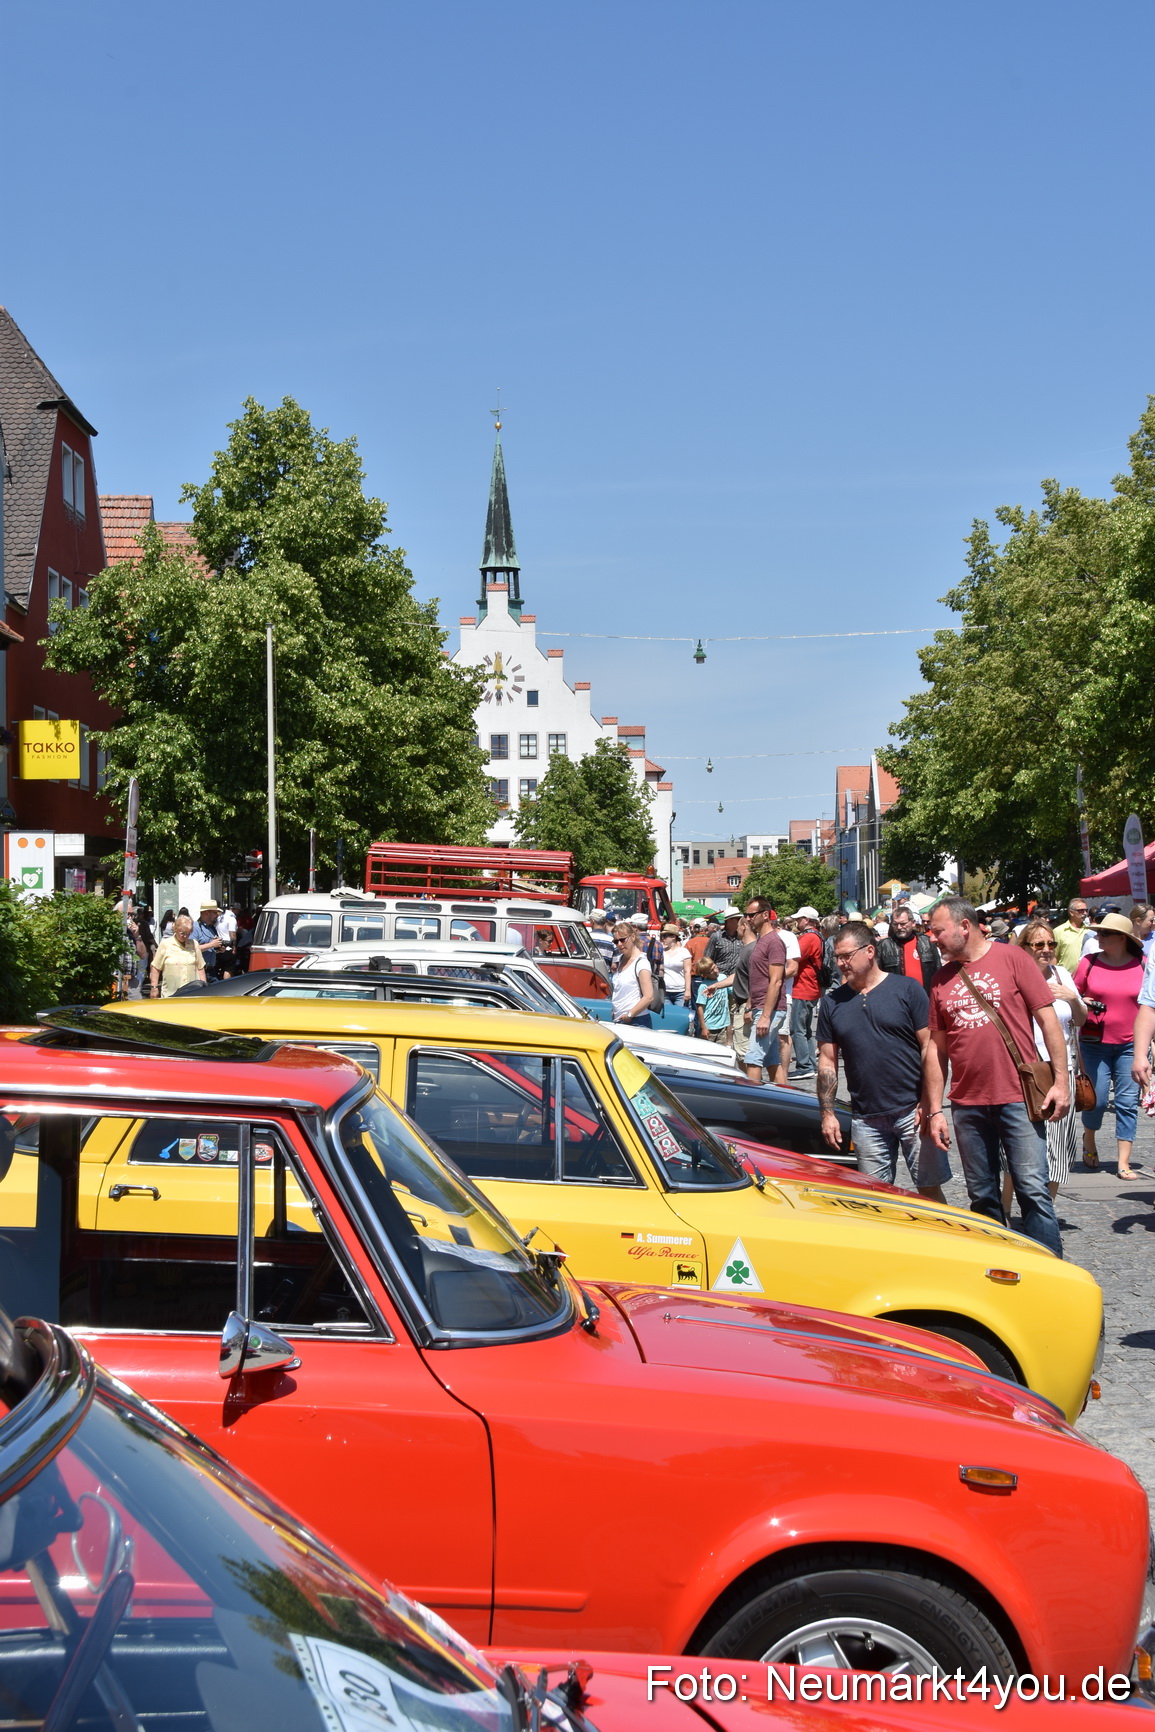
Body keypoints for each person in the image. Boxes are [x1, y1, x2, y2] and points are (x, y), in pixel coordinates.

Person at [922, 897, 1067, 1254]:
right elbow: (936, 1049)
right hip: (968, 1104)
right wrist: (936, 1109)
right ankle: (997, 1272)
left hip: (1017, 1096)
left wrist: (1061, 1082)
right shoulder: (941, 979)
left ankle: (1051, 1276)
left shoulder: (1014, 959)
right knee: (982, 1195)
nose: (932, 938)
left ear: (964, 926)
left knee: (1032, 1190)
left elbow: (1049, 1021)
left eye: (938, 930)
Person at [817, 920, 949, 1201]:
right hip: (866, 1117)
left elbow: (930, 1047)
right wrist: (827, 1114)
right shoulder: (832, 1003)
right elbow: (827, 1061)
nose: (840, 964)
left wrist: (929, 1102)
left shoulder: (907, 989)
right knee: (875, 1198)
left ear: (869, 951)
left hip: (911, 1111)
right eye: (836, 957)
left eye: (846, 956)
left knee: (930, 1191)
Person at [1015, 918, 1087, 1199]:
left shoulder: (1062, 976)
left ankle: (1046, 1208)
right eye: (1039, 944)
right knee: (1023, 1144)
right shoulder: (1017, 978)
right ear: (1025, 948)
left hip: (1063, 1069)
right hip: (1030, 1070)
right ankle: (1008, 1210)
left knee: (1058, 1147)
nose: (1046, 949)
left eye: (1051, 944)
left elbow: (1081, 1020)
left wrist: (1072, 999)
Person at [1073, 912, 1144, 1178]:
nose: (1098, 937)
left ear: (1122, 939)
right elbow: (1072, 994)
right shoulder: (1088, 963)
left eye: (1105, 934)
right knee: (1098, 1100)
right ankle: (1089, 1137)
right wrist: (1083, 1002)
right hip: (1094, 1042)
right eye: (1098, 933)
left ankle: (1123, 1162)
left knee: (1127, 1102)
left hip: (1130, 1044)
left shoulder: (1143, 964)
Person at [741, 897, 787, 1082]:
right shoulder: (762, 940)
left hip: (771, 1010)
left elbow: (776, 981)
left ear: (765, 915)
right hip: (761, 1007)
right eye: (747, 915)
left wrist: (766, 1016)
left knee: (753, 1058)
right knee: (772, 1061)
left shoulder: (774, 942)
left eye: (752, 914)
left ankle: (751, 1107)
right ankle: (788, 1102)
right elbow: (757, 977)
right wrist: (750, 1005)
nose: (748, 918)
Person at [785, 907, 822, 1079]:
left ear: (806, 920)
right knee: (805, 1030)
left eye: (799, 919)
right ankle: (811, 1064)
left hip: (803, 987)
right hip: (811, 987)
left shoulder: (808, 938)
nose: (796, 922)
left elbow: (793, 956)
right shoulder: (817, 936)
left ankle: (805, 1065)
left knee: (797, 1030)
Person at [876, 905, 938, 991]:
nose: (899, 927)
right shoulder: (884, 946)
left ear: (913, 923)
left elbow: (938, 970)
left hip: (925, 997)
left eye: (903, 924)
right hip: (897, 999)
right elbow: (876, 976)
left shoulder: (927, 942)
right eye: (895, 924)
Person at [150, 914, 206, 998]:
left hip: (192, 994)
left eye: (188, 933)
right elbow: (156, 967)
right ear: (175, 929)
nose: (185, 936)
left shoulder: (194, 944)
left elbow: (200, 967)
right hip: (171, 994)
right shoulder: (166, 944)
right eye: (182, 933)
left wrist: (204, 987)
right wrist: (154, 988)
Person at [610, 920, 653, 1027]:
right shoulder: (621, 959)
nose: (619, 944)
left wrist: (630, 1014)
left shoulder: (641, 962)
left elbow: (649, 996)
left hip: (637, 1021)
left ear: (633, 937)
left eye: (623, 940)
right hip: (619, 1020)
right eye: (616, 941)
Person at [774, 915, 800, 1082]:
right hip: (760, 996)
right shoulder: (757, 937)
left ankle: (782, 1079)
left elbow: (793, 968)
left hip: (784, 994)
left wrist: (771, 977)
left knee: (782, 1036)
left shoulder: (787, 936)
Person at [659, 924, 691, 1006]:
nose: (663, 938)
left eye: (665, 936)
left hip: (680, 991)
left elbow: (687, 972)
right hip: (665, 990)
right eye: (662, 936)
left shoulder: (684, 952)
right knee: (667, 1017)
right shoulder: (662, 952)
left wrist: (688, 990)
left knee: (681, 1016)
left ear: (673, 936)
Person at [193, 902, 225, 979]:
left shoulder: (211, 928)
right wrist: (211, 945)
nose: (217, 915)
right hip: (199, 973)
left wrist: (219, 949)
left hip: (212, 970)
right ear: (206, 913)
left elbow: (211, 948)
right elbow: (191, 949)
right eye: (214, 913)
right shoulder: (195, 928)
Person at [216, 903, 239, 978]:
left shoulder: (220, 918)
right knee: (229, 969)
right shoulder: (231, 919)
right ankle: (227, 986)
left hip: (219, 947)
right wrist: (234, 947)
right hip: (228, 948)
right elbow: (232, 934)